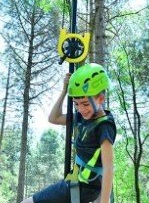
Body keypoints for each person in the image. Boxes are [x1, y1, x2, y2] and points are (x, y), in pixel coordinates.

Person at [21, 63, 116, 203]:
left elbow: (108, 167)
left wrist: (104, 201)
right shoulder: (81, 117)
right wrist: (64, 91)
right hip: (76, 182)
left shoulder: (104, 125)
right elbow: (53, 118)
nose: (81, 109)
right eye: (76, 104)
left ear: (100, 99)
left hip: (86, 187)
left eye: (85, 104)